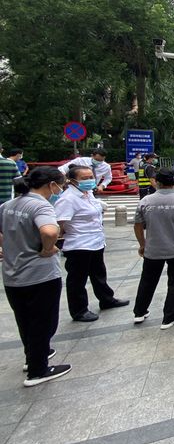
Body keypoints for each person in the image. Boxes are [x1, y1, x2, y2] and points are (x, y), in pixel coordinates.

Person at [0, 167, 72, 386]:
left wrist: (6, 247)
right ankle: (38, 370)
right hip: (39, 275)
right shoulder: (40, 205)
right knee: (43, 320)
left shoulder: (9, 205)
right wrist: (47, 249)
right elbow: (50, 231)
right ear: (51, 185)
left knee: (25, 319)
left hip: (13, 274)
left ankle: (33, 356)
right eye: (60, 185)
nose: (60, 189)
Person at [55, 165, 129, 322]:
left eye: (91, 177)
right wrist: (55, 244)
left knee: (98, 273)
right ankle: (79, 310)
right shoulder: (68, 199)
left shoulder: (87, 193)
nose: (89, 180)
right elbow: (59, 224)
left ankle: (107, 299)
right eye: (85, 178)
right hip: (78, 244)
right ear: (72, 180)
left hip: (96, 241)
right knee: (77, 280)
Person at [132, 167, 174, 329]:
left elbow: (138, 225)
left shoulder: (146, 201)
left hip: (153, 249)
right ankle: (170, 316)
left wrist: (142, 244)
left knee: (147, 280)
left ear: (158, 183)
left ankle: (139, 312)